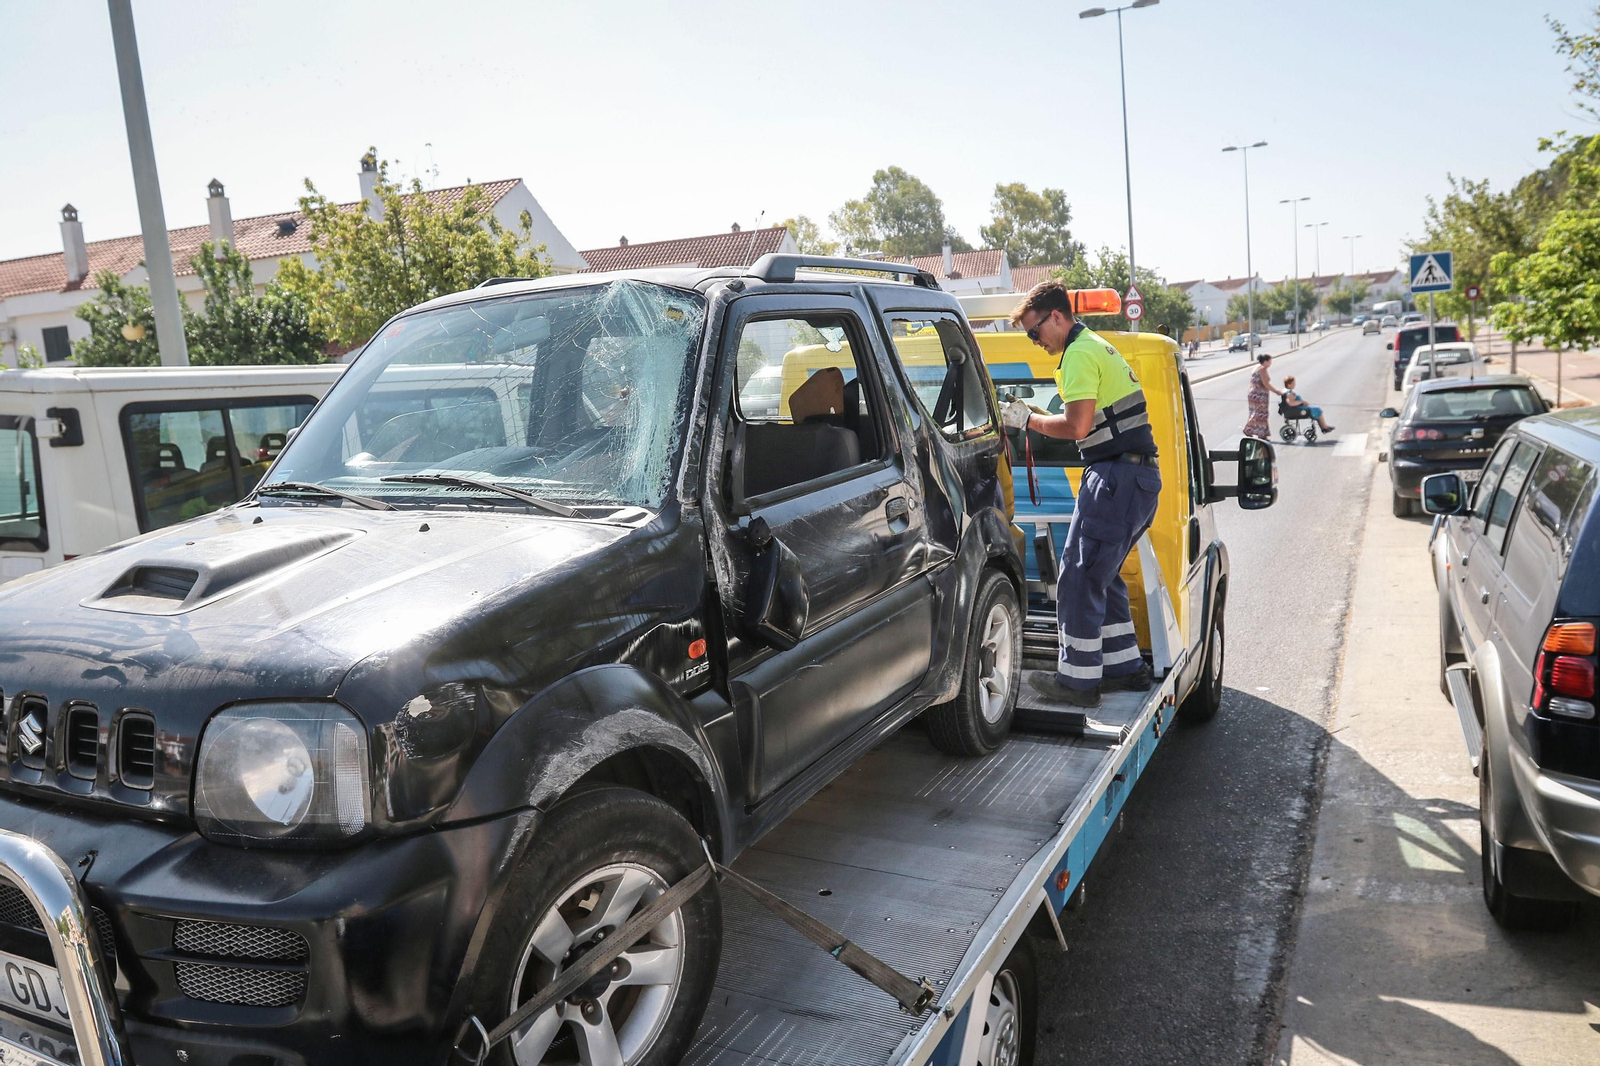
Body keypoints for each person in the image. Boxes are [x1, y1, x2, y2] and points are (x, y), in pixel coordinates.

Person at [1001, 280, 1161, 708]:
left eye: (1035, 332)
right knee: (1100, 576)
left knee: (1077, 575)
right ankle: (1125, 668)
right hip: (1132, 479)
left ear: (1056, 316)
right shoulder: (1094, 346)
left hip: (1116, 478)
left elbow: (1076, 428)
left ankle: (1077, 682)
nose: (1035, 342)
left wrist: (1026, 420)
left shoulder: (1078, 354)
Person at [1244, 353, 1282, 440]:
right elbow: (1266, 383)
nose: (1270, 364)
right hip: (1259, 395)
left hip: (1253, 393)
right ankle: (1250, 430)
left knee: (1256, 413)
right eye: (1269, 362)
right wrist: (1276, 391)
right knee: (1260, 414)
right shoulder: (1262, 369)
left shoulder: (1257, 367)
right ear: (1265, 361)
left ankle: (1261, 433)